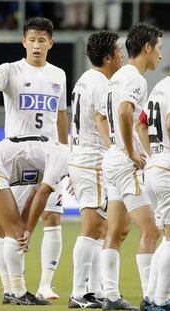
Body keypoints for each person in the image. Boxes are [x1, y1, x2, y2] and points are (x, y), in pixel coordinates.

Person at [0, 17, 68, 301]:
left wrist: (62, 152)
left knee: (51, 218)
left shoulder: (58, 75)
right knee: (10, 230)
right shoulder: (12, 70)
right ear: (24, 41)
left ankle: (36, 286)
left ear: (51, 42)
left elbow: (60, 114)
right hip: (17, 155)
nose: (37, 45)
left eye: (42, 40)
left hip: (48, 155)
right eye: (32, 39)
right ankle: (12, 288)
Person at [101, 22, 163, 310]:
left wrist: (119, 148)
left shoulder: (116, 77)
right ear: (147, 48)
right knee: (152, 231)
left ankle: (111, 295)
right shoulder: (136, 79)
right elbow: (126, 112)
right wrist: (130, 152)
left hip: (112, 160)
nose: (161, 55)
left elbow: (103, 116)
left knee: (115, 233)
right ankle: (152, 296)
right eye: (159, 48)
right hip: (126, 163)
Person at [0, 135, 68, 305]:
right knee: (16, 233)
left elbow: (33, 197)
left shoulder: (55, 153)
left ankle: (9, 291)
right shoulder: (63, 157)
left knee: (5, 233)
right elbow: (43, 194)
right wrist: (27, 231)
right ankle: (19, 293)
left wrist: (26, 227)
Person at [68, 30, 124, 309]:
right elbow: (102, 120)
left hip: (82, 158)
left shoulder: (84, 80)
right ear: (108, 57)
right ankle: (79, 293)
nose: (123, 55)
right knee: (94, 228)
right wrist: (115, 150)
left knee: (97, 228)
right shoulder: (102, 83)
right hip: (94, 161)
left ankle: (91, 290)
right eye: (119, 50)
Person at [138, 69, 170, 310]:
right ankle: (160, 300)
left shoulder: (158, 87)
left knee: (166, 239)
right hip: (167, 169)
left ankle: (151, 296)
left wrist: (154, 156)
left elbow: (141, 126)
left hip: (155, 167)